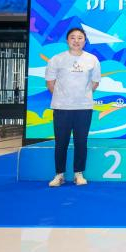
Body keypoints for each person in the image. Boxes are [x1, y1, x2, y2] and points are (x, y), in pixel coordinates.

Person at [45, 28, 101, 187]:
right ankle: (59, 175)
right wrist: (63, 97)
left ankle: (78, 173)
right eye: (73, 38)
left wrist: (81, 96)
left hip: (83, 108)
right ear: (67, 40)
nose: (76, 41)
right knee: (60, 142)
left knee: (81, 142)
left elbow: (95, 83)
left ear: (85, 41)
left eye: (80, 38)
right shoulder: (57, 59)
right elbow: (50, 83)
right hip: (61, 108)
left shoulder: (92, 59)